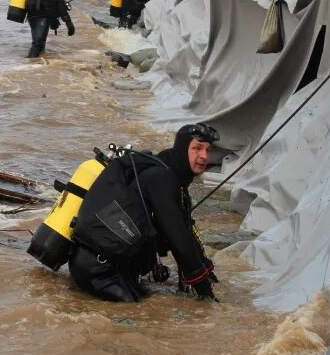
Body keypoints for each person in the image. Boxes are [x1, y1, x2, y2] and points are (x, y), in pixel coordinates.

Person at [69, 123, 220, 303]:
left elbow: (186, 231)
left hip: (111, 268)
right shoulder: (161, 178)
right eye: (196, 148)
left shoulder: (173, 177)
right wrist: (207, 297)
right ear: (181, 149)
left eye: (207, 150)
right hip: (98, 270)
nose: (204, 156)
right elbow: (178, 239)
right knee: (136, 317)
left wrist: (207, 274)